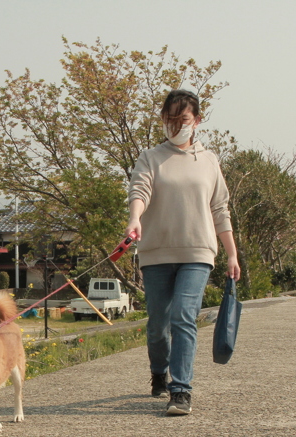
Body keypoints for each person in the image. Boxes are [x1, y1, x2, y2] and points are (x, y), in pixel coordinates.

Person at [126, 89, 240, 416]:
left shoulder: (209, 161)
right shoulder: (151, 157)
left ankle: (180, 390)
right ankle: (159, 371)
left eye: (183, 120)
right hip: (156, 252)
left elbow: (220, 208)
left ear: (197, 120)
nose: (176, 126)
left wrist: (231, 254)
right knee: (158, 323)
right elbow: (140, 190)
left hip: (198, 252)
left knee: (183, 317)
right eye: (170, 120)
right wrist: (135, 218)